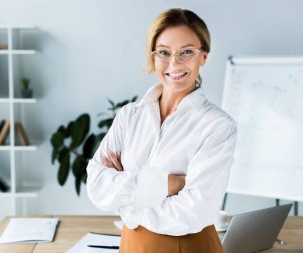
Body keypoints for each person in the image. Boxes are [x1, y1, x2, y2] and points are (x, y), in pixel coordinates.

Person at [86, 8, 237, 253]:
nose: (174, 63)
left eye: (186, 52)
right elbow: (97, 186)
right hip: (131, 245)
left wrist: (126, 202)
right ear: (153, 57)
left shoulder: (217, 126)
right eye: (164, 53)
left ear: (203, 57)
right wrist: (166, 185)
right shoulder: (129, 116)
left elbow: (193, 213)